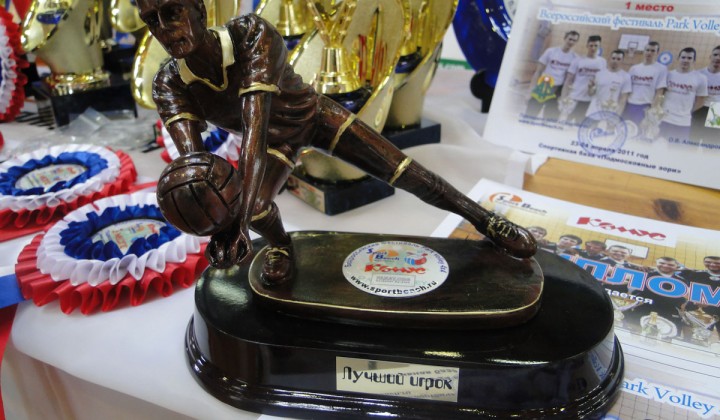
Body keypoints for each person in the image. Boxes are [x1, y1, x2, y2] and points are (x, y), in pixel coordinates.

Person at [136, 0, 536, 285]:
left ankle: (485, 220)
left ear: (199, 10)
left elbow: (254, 124)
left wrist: (236, 222)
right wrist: (219, 223)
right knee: (253, 204)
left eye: (172, 12)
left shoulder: (251, 34)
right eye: (152, 19)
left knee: (407, 172)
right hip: (275, 143)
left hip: (312, 117)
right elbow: (194, 168)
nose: (164, 28)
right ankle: (281, 246)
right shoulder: (169, 83)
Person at [525, 30, 580, 121]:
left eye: (574, 40)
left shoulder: (575, 58)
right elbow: (538, 72)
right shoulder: (551, 51)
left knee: (550, 120)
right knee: (529, 116)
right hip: (542, 87)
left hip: (557, 91)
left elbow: (569, 80)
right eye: (570, 39)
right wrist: (531, 90)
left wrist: (563, 98)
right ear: (565, 38)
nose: (571, 42)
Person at [660, 47, 708, 142]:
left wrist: (687, 112)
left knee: (677, 150)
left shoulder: (701, 78)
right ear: (678, 58)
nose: (686, 60)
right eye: (683, 57)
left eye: (689, 58)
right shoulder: (668, 74)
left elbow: (701, 101)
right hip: (664, 119)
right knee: (658, 146)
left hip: (684, 122)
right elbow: (660, 94)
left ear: (694, 60)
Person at [621, 41, 667, 128]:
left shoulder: (661, 69)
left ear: (657, 53)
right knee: (625, 130)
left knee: (640, 133)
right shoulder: (634, 68)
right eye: (647, 50)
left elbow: (659, 92)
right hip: (629, 105)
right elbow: (626, 91)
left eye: (653, 51)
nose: (649, 52)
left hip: (645, 106)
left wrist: (651, 112)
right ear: (644, 51)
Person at [562, 35, 606, 124]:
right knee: (566, 125)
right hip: (574, 98)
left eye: (596, 46)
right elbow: (568, 80)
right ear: (587, 46)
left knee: (581, 125)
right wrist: (563, 97)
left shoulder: (602, 62)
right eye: (591, 45)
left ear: (599, 47)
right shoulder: (577, 60)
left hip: (589, 100)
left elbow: (601, 81)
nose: (593, 48)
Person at [585, 49, 632, 118]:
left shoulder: (626, 76)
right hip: (593, 112)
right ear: (609, 59)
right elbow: (590, 94)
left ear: (622, 61)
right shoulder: (599, 74)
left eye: (618, 59)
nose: (615, 61)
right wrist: (590, 88)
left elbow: (623, 100)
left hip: (610, 114)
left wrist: (617, 116)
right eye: (613, 58)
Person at [691, 45, 720, 141]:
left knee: (710, 141)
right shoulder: (698, 74)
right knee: (693, 139)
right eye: (715, 55)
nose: (718, 58)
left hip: (716, 110)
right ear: (710, 56)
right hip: (699, 107)